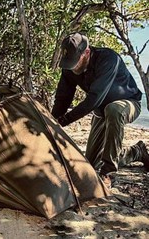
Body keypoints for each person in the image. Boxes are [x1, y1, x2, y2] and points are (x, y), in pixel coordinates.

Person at [51, 32, 149, 188]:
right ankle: (136, 152)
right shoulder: (69, 67)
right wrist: (52, 122)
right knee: (90, 163)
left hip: (127, 104)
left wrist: (65, 121)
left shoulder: (108, 59)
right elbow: (63, 99)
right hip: (101, 111)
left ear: (87, 52)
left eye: (75, 61)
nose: (72, 66)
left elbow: (95, 98)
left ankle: (107, 173)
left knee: (114, 109)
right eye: (68, 62)